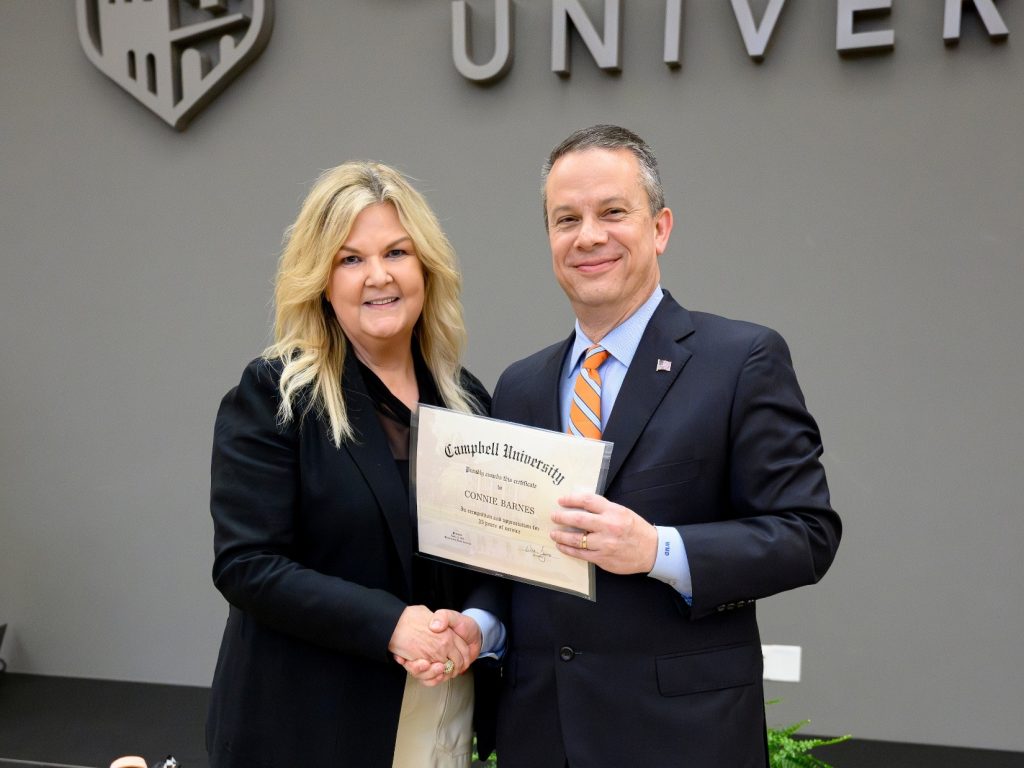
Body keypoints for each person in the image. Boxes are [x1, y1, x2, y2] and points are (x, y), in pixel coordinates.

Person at [464, 125, 842, 766]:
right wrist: (480, 628)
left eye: (613, 212)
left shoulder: (741, 359)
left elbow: (806, 534)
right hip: (542, 735)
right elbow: (516, 562)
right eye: (567, 219)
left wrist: (656, 550)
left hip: (683, 738)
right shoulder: (520, 385)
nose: (589, 236)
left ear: (660, 227)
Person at [206, 161, 493, 767]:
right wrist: (391, 624)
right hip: (305, 727)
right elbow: (247, 564)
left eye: (397, 251)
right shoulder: (275, 394)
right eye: (350, 259)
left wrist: (478, 622)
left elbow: (494, 554)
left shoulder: (467, 401)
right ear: (321, 280)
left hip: (439, 713)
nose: (378, 276)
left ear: (426, 269)